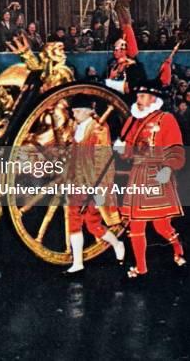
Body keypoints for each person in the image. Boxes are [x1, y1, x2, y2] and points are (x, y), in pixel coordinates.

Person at [114, 82, 186, 278]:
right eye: (138, 96)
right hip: (138, 175)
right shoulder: (131, 121)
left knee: (162, 226)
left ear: (154, 99)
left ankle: (178, 250)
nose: (138, 100)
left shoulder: (166, 119)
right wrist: (121, 149)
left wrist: (169, 168)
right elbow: (126, 155)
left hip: (158, 174)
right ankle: (141, 268)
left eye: (143, 96)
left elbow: (176, 149)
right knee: (135, 224)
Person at [63, 94, 125, 275]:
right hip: (76, 183)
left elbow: (103, 161)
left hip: (93, 184)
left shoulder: (99, 129)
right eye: (73, 112)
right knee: (74, 222)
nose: (75, 115)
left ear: (88, 111)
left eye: (77, 111)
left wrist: (98, 191)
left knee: (93, 225)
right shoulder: (76, 127)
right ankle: (78, 264)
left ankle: (116, 243)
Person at [103, 38, 146, 102]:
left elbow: (136, 85)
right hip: (112, 97)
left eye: (116, 50)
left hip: (128, 99)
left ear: (124, 51)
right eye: (114, 50)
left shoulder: (135, 65)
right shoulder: (111, 64)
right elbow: (104, 84)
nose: (114, 52)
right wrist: (110, 78)